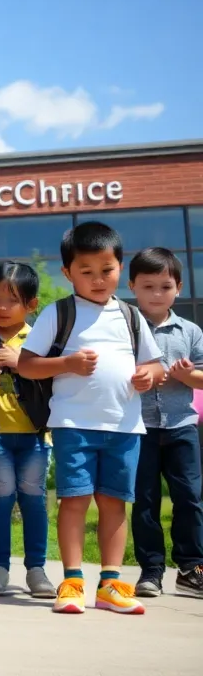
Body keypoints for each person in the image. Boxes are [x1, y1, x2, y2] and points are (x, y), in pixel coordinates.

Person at [19, 222, 162, 615]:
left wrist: (150, 375)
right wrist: (66, 363)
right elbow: (27, 364)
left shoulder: (131, 316)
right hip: (73, 426)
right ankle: (72, 581)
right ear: (68, 273)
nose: (98, 280)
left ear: (120, 267)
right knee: (75, 500)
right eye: (87, 271)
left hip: (124, 427)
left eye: (107, 270)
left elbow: (155, 364)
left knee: (115, 503)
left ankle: (111, 584)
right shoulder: (59, 313)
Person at [127, 248, 203, 598]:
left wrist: (187, 376)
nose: (157, 294)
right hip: (138, 428)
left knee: (189, 497)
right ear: (132, 286)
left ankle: (191, 567)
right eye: (148, 286)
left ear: (179, 288)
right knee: (145, 501)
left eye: (165, 286)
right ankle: (151, 571)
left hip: (181, 426)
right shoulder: (125, 329)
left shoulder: (190, 331)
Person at [0, 262, 55, 599]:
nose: (2, 307)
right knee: (0, 497)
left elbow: (54, 378)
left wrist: (19, 362)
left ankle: (37, 569)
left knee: (33, 498)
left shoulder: (40, 339)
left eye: (12, 300)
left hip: (35, 435)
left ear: (31, 304)